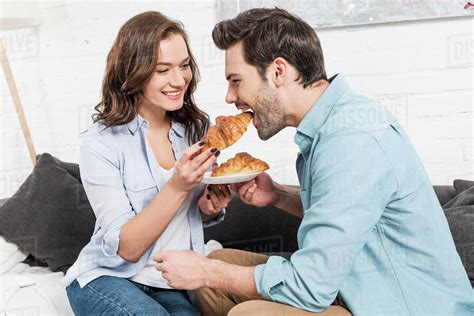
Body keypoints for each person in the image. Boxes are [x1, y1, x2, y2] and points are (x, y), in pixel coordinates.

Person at [153, 7, 474, 316]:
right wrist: (278, 195)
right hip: (353, 282)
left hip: (399, 306)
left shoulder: (350, 141)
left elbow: (310, 287)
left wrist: (207, 271)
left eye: (236, 80)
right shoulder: (330, 126)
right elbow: (348, 214)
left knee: (243, 305)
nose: (230, 97)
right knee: (219, 267)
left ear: (278, 71)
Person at [62, 11, 232, 315]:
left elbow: (184, 219)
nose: (179, 80)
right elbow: (128, 248)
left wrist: (208, 208)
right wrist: (178, 185)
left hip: (170, 281)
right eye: (163, 70)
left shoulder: (195, 129)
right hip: (109, 277)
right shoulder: (100, 144)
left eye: (184, 66)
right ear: (133, 72)